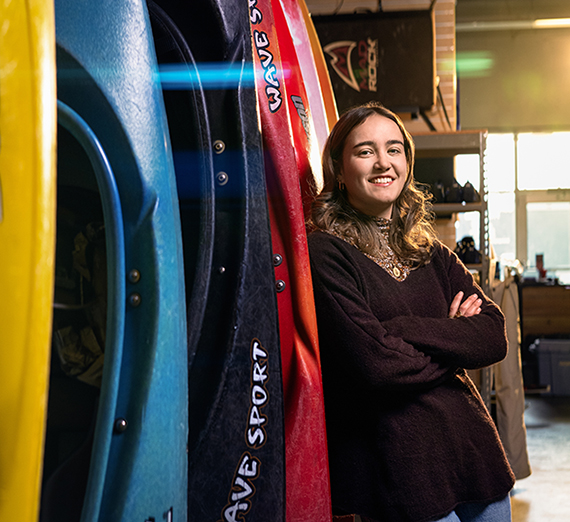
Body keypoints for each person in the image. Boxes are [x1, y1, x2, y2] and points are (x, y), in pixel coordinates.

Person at [308, 102, 515, 522]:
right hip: (399, 472)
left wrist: (401, 330)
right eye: (365, 151)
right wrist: (453, 336)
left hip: (474, 456)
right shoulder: (325, 253)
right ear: (339, 168)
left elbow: (493, 335)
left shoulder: (432, 253)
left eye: (394, 149)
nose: (383, 162)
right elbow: (378, 365)